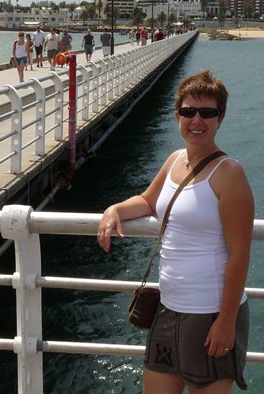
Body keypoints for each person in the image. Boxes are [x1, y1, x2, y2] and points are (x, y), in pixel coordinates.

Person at [97, 70, 254, 393]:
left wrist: (225, 323)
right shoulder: (175, 160)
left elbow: (240, 254)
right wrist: (115, 210)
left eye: (207, 113)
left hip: (209, 314)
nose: (197, 120)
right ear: (177, 115)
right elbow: (147, 201)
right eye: (188, 112)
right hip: (168, 309)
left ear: (220, 118)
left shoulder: (229, 174)